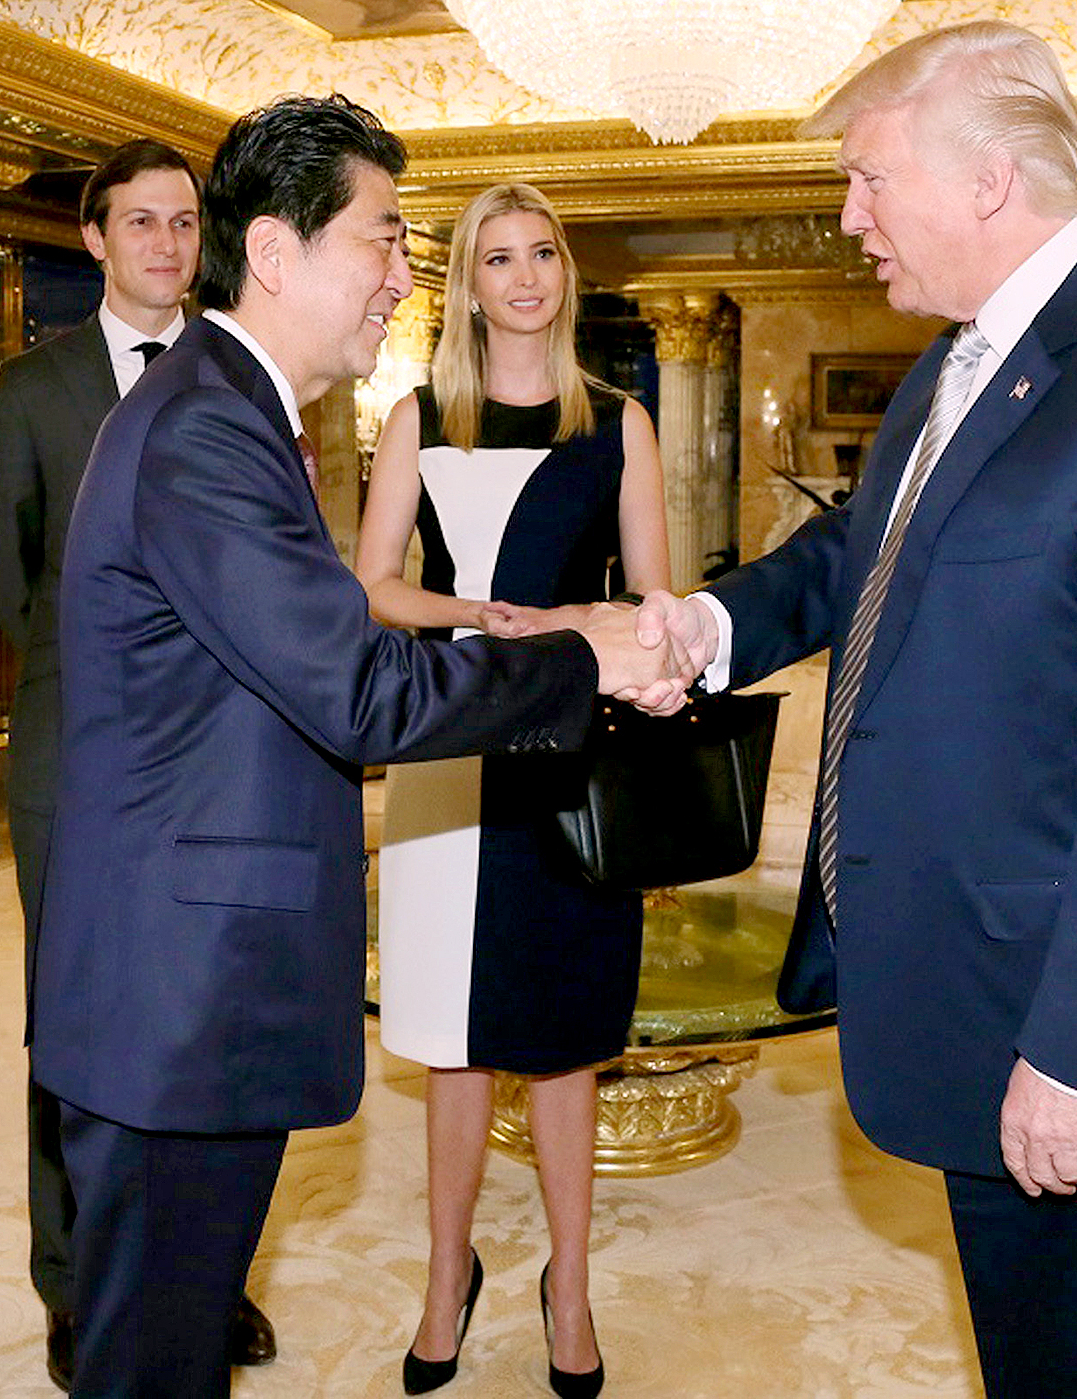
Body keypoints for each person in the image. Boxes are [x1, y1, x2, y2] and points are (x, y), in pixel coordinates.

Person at [635, 22, 1077, 1398]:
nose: (846, 215)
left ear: (991, 177)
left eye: (870, 178)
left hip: (1061, 1015)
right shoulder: (957, 360)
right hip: (969, 978)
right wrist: (708, 626)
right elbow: (856, 555)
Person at [29, 95, 687, 1398]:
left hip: (199, 996)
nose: (403, 274)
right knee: (150, 1364)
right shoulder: (208, 426)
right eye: (384, 238)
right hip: (173, 1008)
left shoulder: (231, 410)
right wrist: (587, 654)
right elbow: (362, 688)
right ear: (277, 252)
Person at [0, 137, 276, 1391]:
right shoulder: (32, 388)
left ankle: (202, 1277)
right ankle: (74, 1282)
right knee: (77, 1029)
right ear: (93, 239)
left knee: (204, 1025)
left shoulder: (246, 382)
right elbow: (10, 582)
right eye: (139, 222)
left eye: (184, 222)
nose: (166, 243)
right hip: (80, 767)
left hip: (218, 768)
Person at [356, 182, 670, 1399]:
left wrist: (589, 622)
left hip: (570, 750)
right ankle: (447, 1278)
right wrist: (475, 615)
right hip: (449, 742)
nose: (525, 275)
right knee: (451, 1041)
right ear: (468, 284)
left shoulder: (621, 423)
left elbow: (655, 600)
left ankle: (571, 1286)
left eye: (543, 252)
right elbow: (377, 584)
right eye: (498, 257)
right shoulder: (416, 415)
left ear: (565, 274)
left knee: (566, 1042)